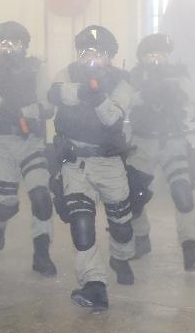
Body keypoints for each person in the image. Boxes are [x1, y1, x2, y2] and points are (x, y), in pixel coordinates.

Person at [48, 25, 135, 310]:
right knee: (81, 223)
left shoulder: (124, 82)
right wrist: (87, 89)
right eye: (85, 52)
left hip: (109, 163)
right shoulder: (68, 73)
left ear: (110, 56)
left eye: (96, 54)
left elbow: (112, 118)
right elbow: (58, 94)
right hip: (76, 162)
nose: (89, 59)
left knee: (121, 225)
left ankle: (120, 257)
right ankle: (94, 284)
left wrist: (96, 95)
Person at [125, 33, 195, 271]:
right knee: (134, 195)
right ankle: (141, 238)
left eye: (160, 55)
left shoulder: (179, 77)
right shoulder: (132, 78)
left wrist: (180, 104)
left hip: (172, 142)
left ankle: (190, 247)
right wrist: (143, 97)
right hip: (142, 144)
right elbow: (122, 106)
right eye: (150, 55)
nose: (155, 60)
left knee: (182, 192)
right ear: (141, 58)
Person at [0, 21, 57, 275]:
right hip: (1, 144)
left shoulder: (37, 68)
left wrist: (26, 112)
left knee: (41, 198)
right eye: (2, 43)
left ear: (23, 45)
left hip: (30, 141)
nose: (7, 47)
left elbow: (48, 104)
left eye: (13, 42)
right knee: (9, 204)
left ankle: (42, 253)